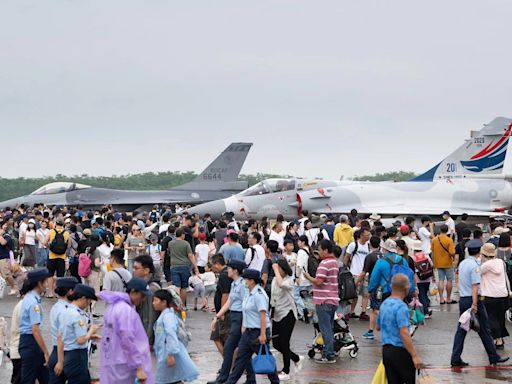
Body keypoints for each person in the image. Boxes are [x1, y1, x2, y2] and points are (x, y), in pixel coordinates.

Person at [450, 239, 509, 367]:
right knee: (484, 329)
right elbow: (475, 286)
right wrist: (475, 304)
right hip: (473, 300)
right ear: (479, 252)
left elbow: (460, 281)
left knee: (463, 330)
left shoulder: (463, 264)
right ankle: (493, 357)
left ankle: (456, 357)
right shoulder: (475, 266)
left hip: (464, 299)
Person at [225, 269, 279, 384]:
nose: (244, 281)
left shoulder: (259, 294)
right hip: (248, 332)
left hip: (258, 332)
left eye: (245, 279)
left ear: (251, 281)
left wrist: (263, 334)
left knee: (265, 360)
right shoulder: (248, 293)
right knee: (240, 360)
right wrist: (244, 326)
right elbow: (246, 311)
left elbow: (263, 315)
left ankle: (275, 382)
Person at [98, 278, 154, 384]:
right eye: (142, 296)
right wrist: (138, 367)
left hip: (112, 361)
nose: (142, 300)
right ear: (133, 292)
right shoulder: (125, 311)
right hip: (124, 365)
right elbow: (127, 340)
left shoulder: (113, 306)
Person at [208, 259, 253, 384]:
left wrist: (245, 323)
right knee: (243, 349)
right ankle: (251, 378)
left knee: (229, 347)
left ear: (235, 271)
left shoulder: (243, 285)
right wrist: (217, 316)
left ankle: (223, 377)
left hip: (240, 318)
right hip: (234, 317)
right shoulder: (234, 284)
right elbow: (229, 302)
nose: (227, 270)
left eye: (229, 268)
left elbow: (246, 304)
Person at [377, 274, 423, 384]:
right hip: (400, 351)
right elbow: (404, 332)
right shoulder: (401, 307)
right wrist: (414, 355)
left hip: (386, 351)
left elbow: (377, 327)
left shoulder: (384, 304)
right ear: (406, 288)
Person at [303, 239, 340, 363]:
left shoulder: (324, 263)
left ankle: (328, 355)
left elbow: (319, 281)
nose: (318, 252)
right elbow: (328, 281)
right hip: (332, 299)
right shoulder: (334, 262)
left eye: (320, 250)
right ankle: (329, 352)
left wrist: (308, 277)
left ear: (325, 250)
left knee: (325, 329)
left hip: (323, 301)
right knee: (329, 327)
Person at [152, 289, 199, 384]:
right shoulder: (165, 315)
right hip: (165, 353)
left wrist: (170, 354)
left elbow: (171, 334)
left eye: (155, 300)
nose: (153, 303)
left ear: (164, 302)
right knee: (172, 379)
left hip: (168, 354)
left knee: (169, 380)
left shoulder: (168, 316)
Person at [56, 284, 100, 384]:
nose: (88, 304)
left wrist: (90, 334)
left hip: (68, 354)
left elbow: (61, 335)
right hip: (77, 356)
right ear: (84, 298)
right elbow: (80, 340)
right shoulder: (77, 315)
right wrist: (91, 331)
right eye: (89, 301)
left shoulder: (66, 311)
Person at [18, 268, 52, 384]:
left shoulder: (30, 298)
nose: (47, 284)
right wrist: (46, 351)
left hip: (30, 343)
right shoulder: (33, 302)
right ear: (39, 283)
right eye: (46, 281)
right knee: (28, 379)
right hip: (30, 343)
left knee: (46, 377)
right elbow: (35, 330)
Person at [271, 259, 303, 380]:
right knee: (276, 343)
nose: (277, 271)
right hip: (277, 314)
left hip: (288, 314)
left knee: (284, 342)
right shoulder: (275, 279)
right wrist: (271, 313)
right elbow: (273, 296)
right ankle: (296, 358)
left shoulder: (290, 281)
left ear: (283, 270)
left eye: (279, 269)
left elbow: (281, 284)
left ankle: (286, 371)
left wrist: (275, 269)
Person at [48, 277, 79, 384]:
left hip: (57, 352)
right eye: (75, 290)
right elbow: (60, 336)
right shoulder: (64, 310)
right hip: (63, 353)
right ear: (69, 291)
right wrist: (61, 361)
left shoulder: (57, 307)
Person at [480, 243, 510, 350]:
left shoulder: (485, 266)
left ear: (483, 253)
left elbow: (477, 272)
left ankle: (498, 340)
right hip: (502, 294)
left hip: (490, 295)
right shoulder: (501, 262)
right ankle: (499, 339)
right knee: (500, 318)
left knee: (491, 318)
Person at [355, 236, 382, 339]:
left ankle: (371, 331)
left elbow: (363, 272)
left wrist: (355, 282)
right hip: (384, 285)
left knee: (374, 309)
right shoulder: (384, 256)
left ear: (370, 244)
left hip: (374, 285)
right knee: (380, 306)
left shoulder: (370, 257)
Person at [132, 255, 161, 345]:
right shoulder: (143, 286)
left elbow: (151, 317)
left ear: (146, 271)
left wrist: (147, 341)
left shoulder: (151, 289)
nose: (133, 271)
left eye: (136, 268)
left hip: (147, 340)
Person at [344, 228, 371, 320]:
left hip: (365, 273)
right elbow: (347, 256)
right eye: (367, 235)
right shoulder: (353, 245)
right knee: (353, 294)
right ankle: (350, 311)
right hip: (354, 273)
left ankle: (363, 312)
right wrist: (345, 269)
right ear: (361, 235)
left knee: (366, 294)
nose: (368, 236)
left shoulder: (368, 246)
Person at [168, 228, 198, 306]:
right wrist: (195, 266)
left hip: (174, 266)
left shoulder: (170, 243)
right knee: (184, 287)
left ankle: (177, 304)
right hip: (184, 266)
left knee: (177, 287)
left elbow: (169, 253)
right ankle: (183, 305)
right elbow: (190, 256)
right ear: (182, 235)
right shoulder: (186, 243)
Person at [210, 254, 232, 355]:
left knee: (219, 337)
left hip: (224, 313)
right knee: (218, 337)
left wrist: (222, 312)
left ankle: (228, 363)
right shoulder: (225, 273)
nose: (211, 268)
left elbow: (225, 294)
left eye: (212, 265)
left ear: (217, 264)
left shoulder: (224, 275)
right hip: (223, 312)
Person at [44, 218, 70, 298]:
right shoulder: (66, 233)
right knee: (60, 276)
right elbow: (68, 245)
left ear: (56, 223)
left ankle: (50, 292)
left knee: (50, 274)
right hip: (61, 257)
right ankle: (59, 293)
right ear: (63, 224)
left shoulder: (51, 231)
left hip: (52, 256)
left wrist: (50, 247)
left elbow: (45, 242)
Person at [432, 224, 457, 304]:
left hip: (438, 263)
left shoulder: (434, 240)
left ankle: (442, 299)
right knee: (449, 280)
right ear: (447, 230)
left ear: (440, 230)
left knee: (441, 280)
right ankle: (448, 298)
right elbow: (452, 252)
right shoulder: (449, 240)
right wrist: (453, 258)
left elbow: (432, 252)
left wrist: (433, 262)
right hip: (448, 263)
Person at [411, 240, 434, 318]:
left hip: (418, 279)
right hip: (427, 278)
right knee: (425, 293)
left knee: (421, 295)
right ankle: (428, 307)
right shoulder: (426, 255)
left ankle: (426, 312)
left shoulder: (413, 257)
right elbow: (432, 265)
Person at [0, 220, 17, 295]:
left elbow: (3, 243)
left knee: (6, 274)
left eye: (6, 225)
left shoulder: (7, 235)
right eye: (4, 225)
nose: (5, 226)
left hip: (4, 256)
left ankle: (13, 287)